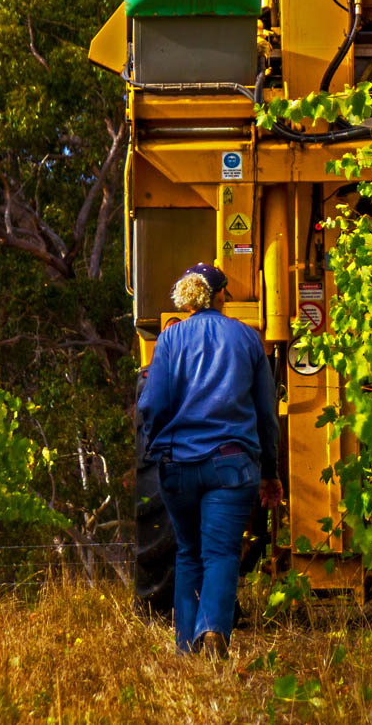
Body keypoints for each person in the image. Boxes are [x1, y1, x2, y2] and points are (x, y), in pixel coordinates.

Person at [136, 262, 284, 658]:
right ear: (221, 295)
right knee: (220, 552)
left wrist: (158, 447)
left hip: (178, 467)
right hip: (231, 465)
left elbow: (152, 404)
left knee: (187, 553)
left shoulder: (168, 341)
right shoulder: (248, 339)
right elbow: (266, 415)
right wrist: (270, 472)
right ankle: (214, 629)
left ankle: (186, 649)